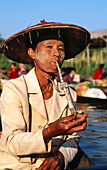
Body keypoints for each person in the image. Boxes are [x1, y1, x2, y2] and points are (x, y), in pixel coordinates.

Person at [0, 20, 90, 169]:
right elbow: (12, 142)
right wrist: (50, 132)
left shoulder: (69, 93)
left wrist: (61, 156)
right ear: (32, 53)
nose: (57, 53)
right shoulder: (14, 89)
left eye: (61, 48)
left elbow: (72, 138)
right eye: (49, 47)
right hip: (16, 164)